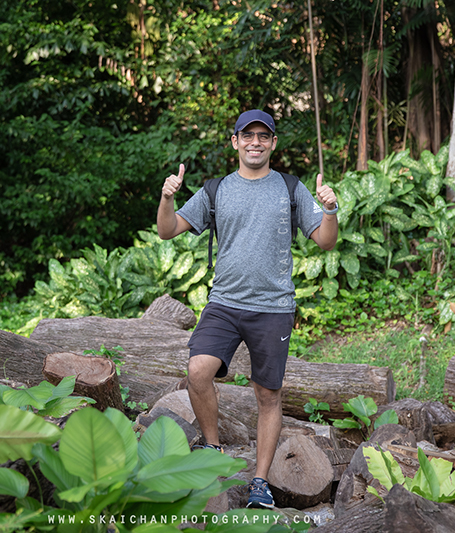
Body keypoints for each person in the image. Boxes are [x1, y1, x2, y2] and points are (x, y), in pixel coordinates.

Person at [156, 110, 339, 509]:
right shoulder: (216, 189)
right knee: (197, 371)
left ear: (273, 143)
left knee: (267, 394)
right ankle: (213, 450)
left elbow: (325, 242)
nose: (255, 142)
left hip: (273, 308)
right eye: (248, 135)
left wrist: (329, 210)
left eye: (263, 135)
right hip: (224, 302)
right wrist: (167, 198)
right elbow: (167, 230)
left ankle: (260, 481)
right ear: (235, 141)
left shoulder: (290, 188)